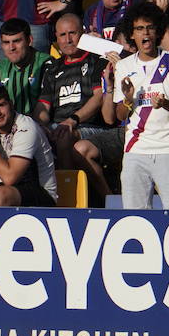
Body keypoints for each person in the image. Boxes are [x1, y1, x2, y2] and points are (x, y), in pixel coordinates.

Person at [105, 1, 169, 210]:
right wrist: (127, 98)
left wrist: (166, 104)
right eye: (140, 28)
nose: (146, 33)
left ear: (158, 31)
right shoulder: (124, 66)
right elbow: (119, 115)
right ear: (131, 34)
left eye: (150, 27)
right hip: (135, 151)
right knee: (135, 217)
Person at [36, 12, 114, 203]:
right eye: (62, 35)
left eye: (73, 33)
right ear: (56, 37)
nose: (68, 39)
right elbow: (43, 106)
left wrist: (73, 120)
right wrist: (40, 125)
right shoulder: (52, 68)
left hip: (90, 126)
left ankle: (68, 200)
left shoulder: (96, 60)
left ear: (83, 34)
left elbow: (98, 98)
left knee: (64, 136)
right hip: (59, 126)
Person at [0, 18, 49, 116]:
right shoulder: (0, 68)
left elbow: (47, 107)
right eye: (6, 42)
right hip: (9, 125)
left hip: (39, 126)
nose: (11, 47)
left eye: (16, 41)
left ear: (29, 40)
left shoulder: (46, 64)